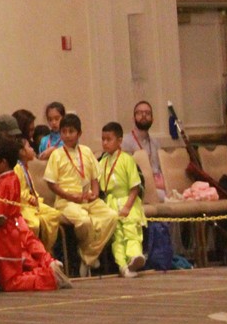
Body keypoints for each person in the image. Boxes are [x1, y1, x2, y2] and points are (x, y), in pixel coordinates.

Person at [0, 139, 70, 292]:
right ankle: (47, 263)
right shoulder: (12, 173)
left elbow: (1, 216)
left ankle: (48, 273)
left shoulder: (11, 176)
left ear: (3, 162)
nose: (31, 149)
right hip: (19, 215)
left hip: (13, 221)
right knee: (31, 236)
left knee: (43, 223)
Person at [43, 114, 117, 277]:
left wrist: (95, 193)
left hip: (87, 198)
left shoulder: (87, 151)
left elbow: (94, 177)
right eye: (64, 132)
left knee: (111, 216)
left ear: (79, 133)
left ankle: (87, 256)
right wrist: (70, 196)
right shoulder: (56, 154)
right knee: (84, 221)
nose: (67, 135)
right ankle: (91, 255)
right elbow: (51, 183)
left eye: (71, 131)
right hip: (66, 201)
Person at [99, 122, 146, 278]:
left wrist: (127, 206)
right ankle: (122, 265)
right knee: (117, 235)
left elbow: (135, 187)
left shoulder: (127, 159)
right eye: (103, 139)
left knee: (131, 229)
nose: (105, 143)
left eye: (109, 139)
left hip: (128, 200)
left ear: (119, 141)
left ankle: (134, 256)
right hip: (111, 202)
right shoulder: (102, 162)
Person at [15, 136, 63, 252]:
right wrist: (30, 198)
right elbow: (18, 191)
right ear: (22, 152)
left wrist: (36, 198)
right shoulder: (17, 168)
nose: (32, 149)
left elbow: (30, 188)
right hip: (23, 205)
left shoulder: (25, 167)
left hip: (33, 202)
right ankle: (34, 252)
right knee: (34, 224)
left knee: (54, 214)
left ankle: (47, 249)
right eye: (29, 147)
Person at [122, 101, 167, 200]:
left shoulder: (155, 143)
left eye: (147, 113)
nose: (144, 115)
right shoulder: (125, 142)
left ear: (152, 119)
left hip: (159, 185)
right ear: (133, 118)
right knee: (164, 196)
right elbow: (127, 173)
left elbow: (161, 169)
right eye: (139, 113)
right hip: (139, 186)